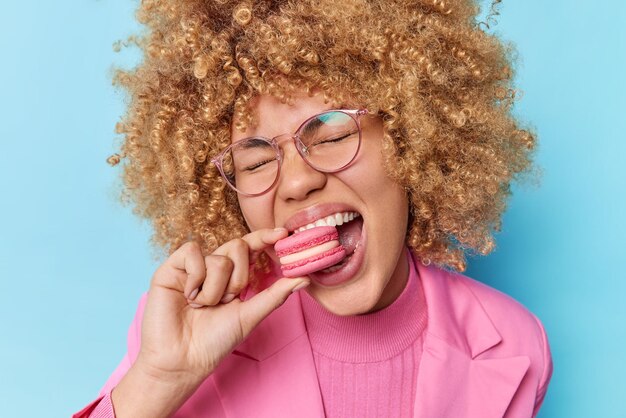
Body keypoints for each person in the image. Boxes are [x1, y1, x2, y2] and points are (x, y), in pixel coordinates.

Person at [74, 0, 552, 417]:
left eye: (334, 134)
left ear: (411, 137)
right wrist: (157, 385)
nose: (299, 181)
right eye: (257, 160)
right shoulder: (181, 329)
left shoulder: (515, 343)